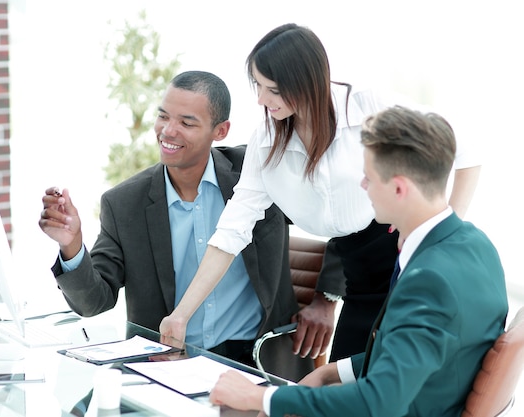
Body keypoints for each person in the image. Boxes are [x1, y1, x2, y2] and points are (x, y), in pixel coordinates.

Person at [160, 23, 482, 361]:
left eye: (272, 89)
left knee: (402, 385)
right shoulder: (267, 141)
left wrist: (440, 239)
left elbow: (466, 153)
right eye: (257, 84)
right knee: (345, 386)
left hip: (408, 256)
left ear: (304, 82)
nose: (260, 99)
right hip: (358, 274)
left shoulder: (367, 105)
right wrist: (181, 315)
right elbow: (230, 233)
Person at [208, 105, 508, 416]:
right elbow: (420, 353)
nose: (362, 187)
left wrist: (262, 399)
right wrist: (333, 371)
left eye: (368, 178)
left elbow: (380, 402)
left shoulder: (428, 280)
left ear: (399, 188)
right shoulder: (476, 244)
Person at [38, 70, 304, 367]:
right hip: (169, 366)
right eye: (163, 116)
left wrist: (326, 300)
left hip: (261, 361)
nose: (168, 131)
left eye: (186, 122)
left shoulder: (258, 173)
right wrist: (72, 246)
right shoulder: (124, 204)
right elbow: (94, 302)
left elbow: (338, 209)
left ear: (221, 131)